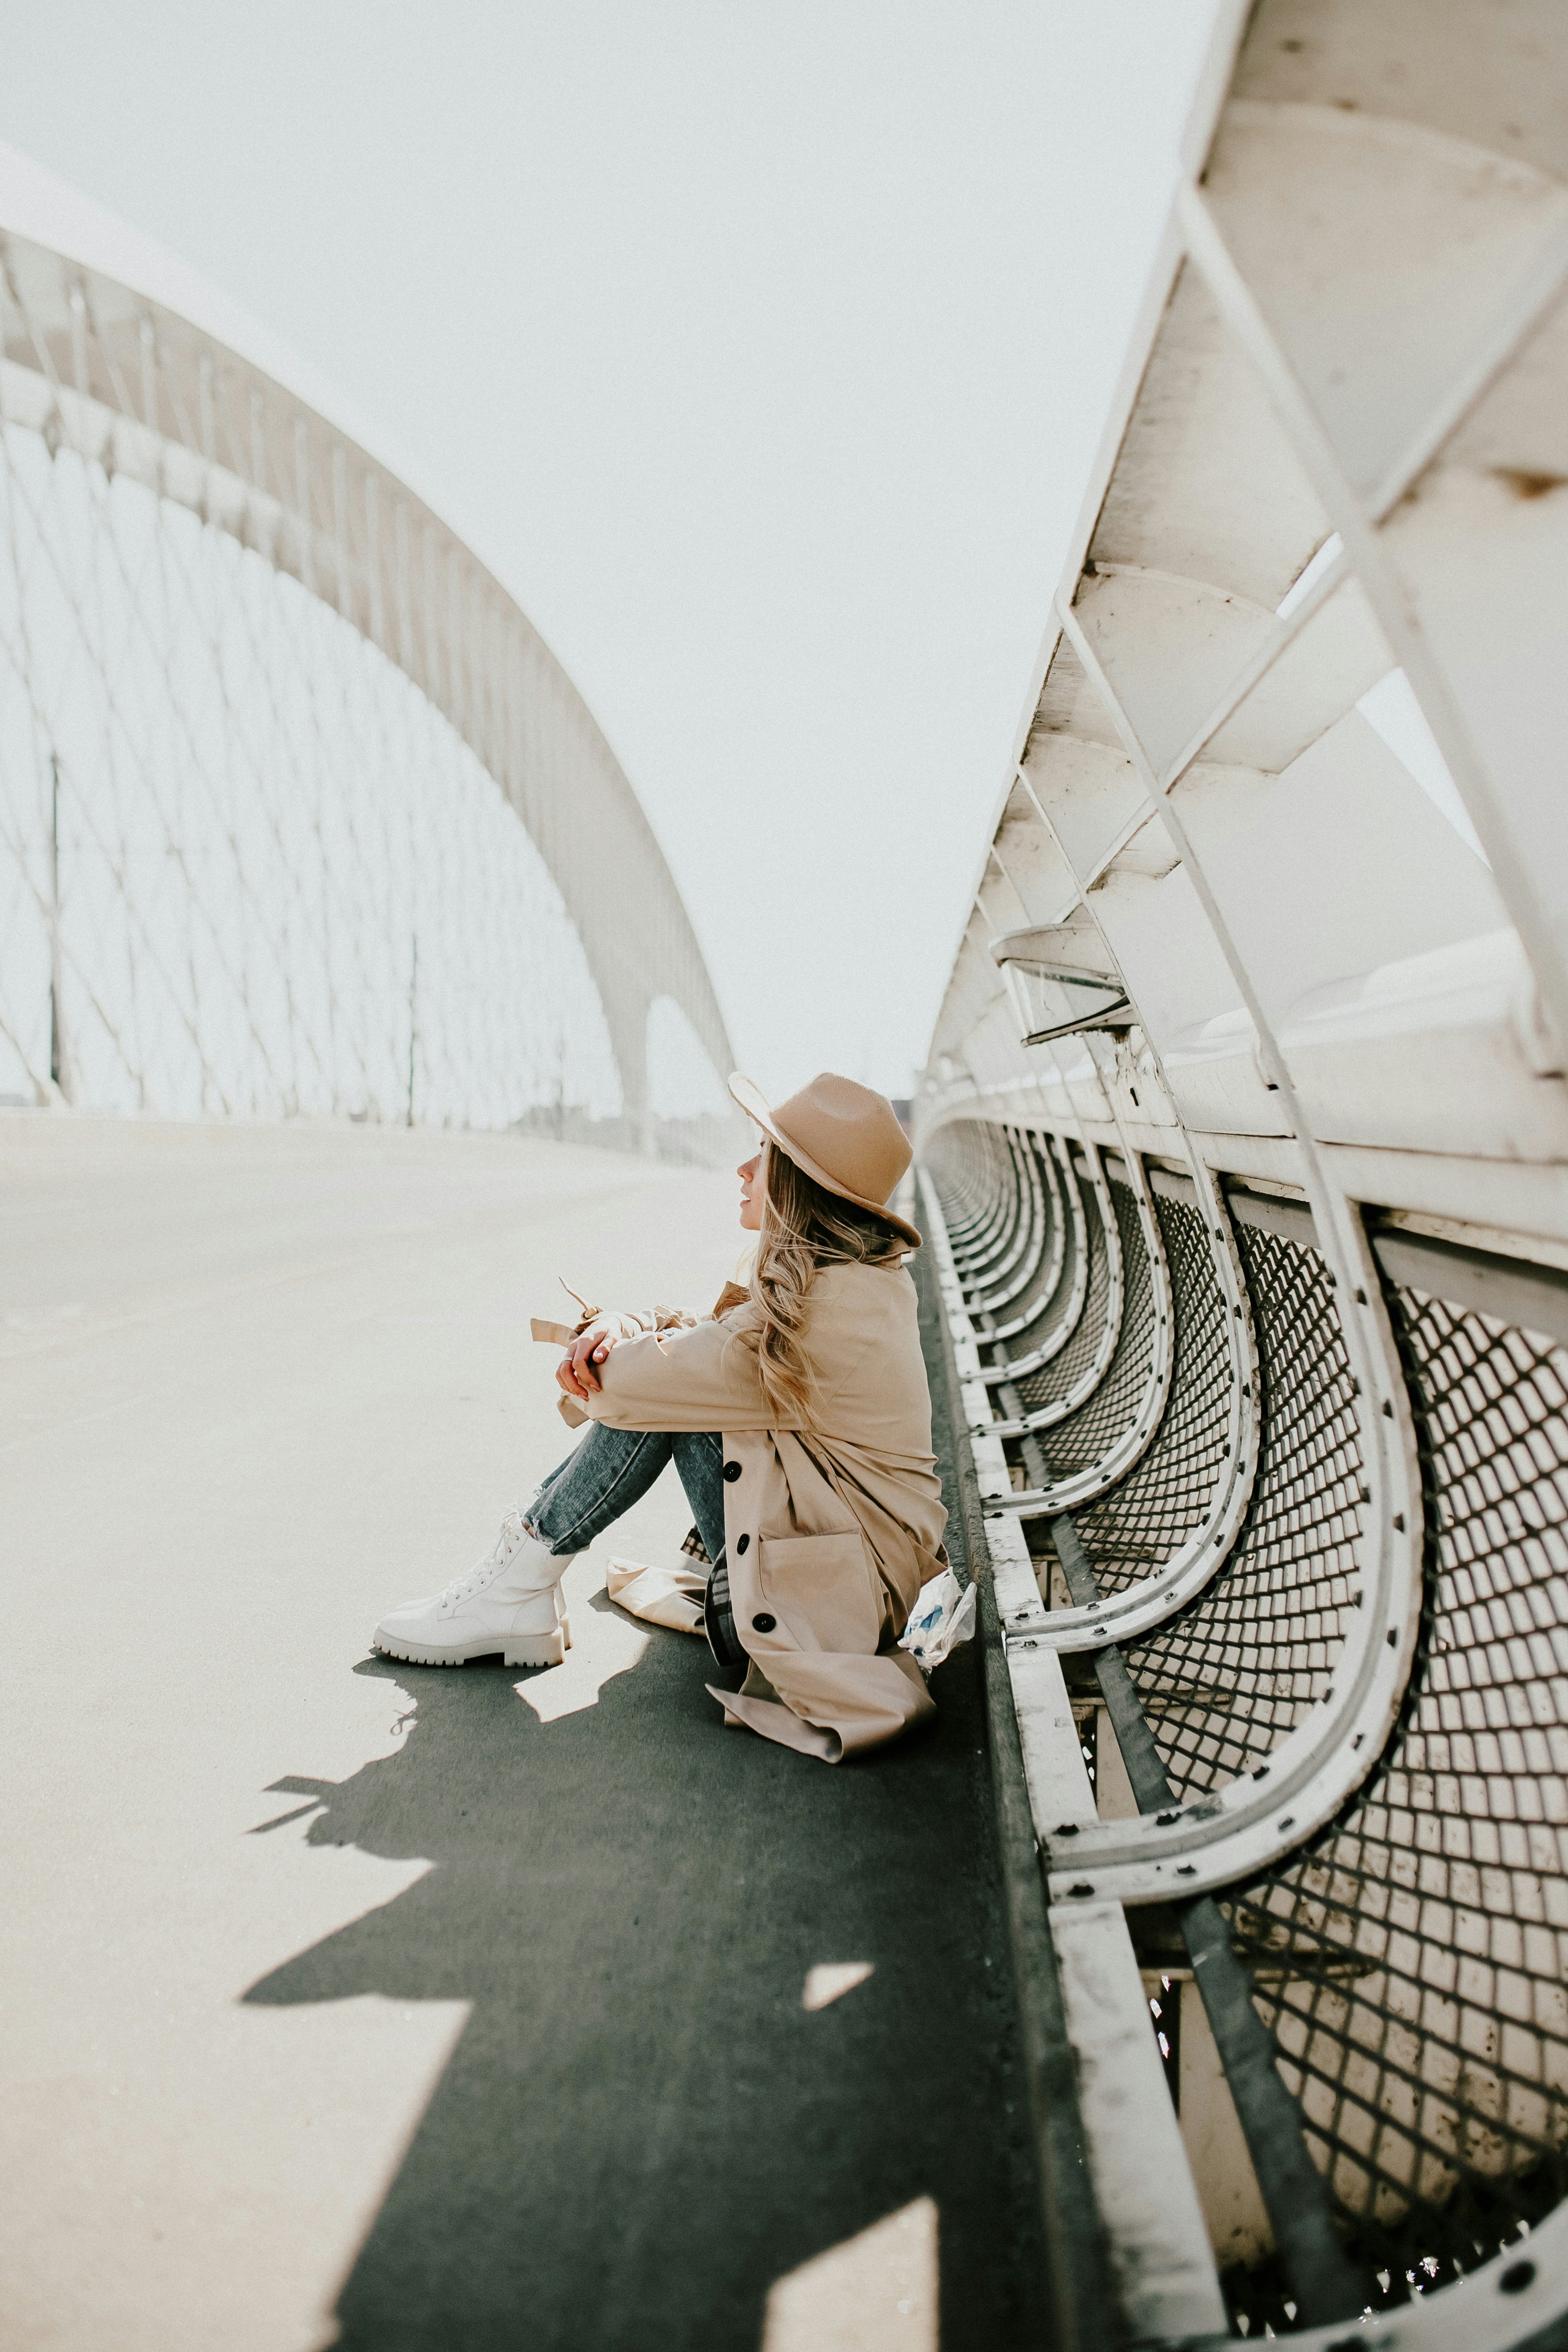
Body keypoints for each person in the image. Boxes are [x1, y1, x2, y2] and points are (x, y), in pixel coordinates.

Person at [372, 1073, 951, 1761]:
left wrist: (605, 1343)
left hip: (817, 1619)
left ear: (801, 1184)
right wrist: (622, 1322)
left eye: (763, 1152)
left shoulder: (815, 1318)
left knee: (660, 1400)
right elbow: (705, 1338)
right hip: (847, 1591)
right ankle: (518, 1585)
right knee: (674, 1388)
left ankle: (516, 1584)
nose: (741, 1167)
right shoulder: (852, 1284)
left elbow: (642, 1382)